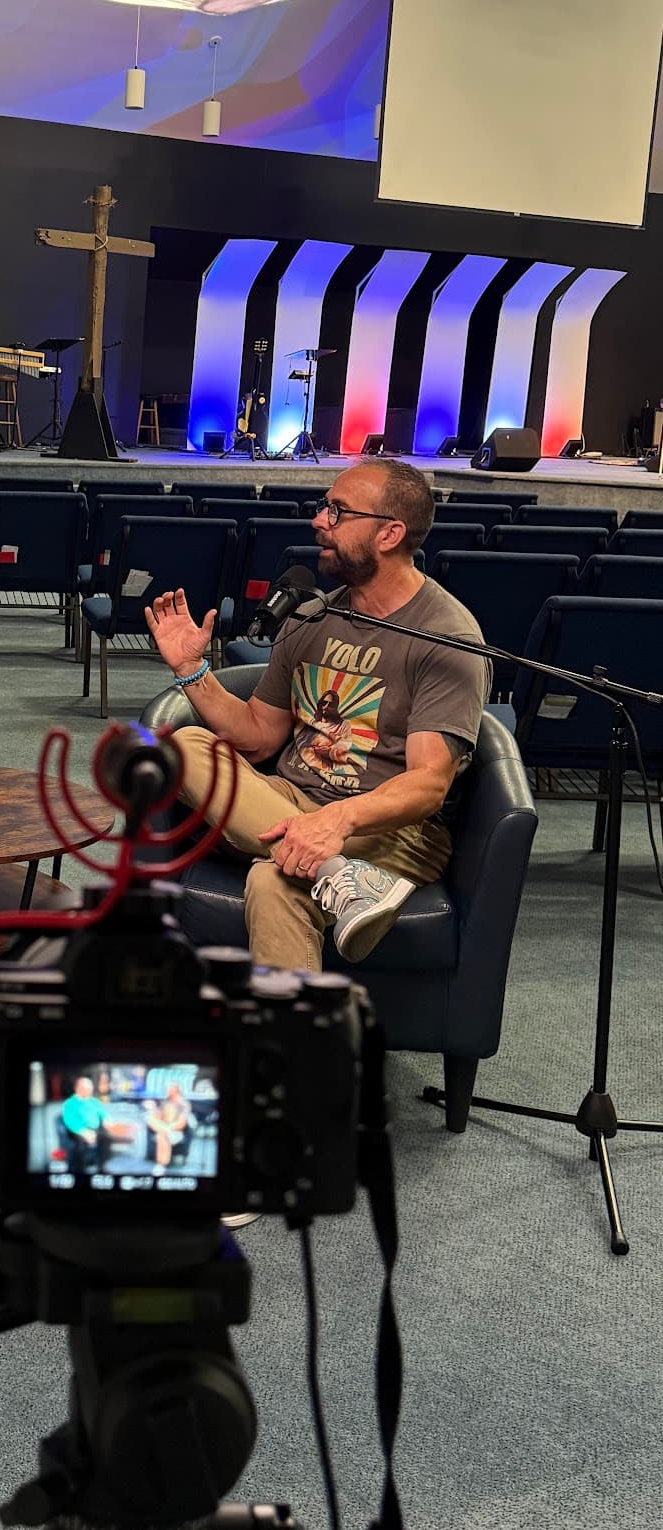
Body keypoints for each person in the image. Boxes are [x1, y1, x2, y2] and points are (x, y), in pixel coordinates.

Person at [146, 459, 489, 972]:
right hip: (291, 793)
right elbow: (260, 737)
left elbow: (427, 785)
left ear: (390, 533)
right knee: (182, 746)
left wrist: (338, 819)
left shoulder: (446, 636)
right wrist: (193, 670)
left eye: (337, 511)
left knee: (273, 878)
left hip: (391, 824)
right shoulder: (312, 616)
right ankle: (338, 875)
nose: (318, 521)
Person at [142, 1083, 191, 1170]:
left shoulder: (184, 1104)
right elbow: (159, 1118)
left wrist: (170, 1127)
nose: (166, 1091)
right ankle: (161, 1164)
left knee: (162, 1135)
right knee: (149, 1118)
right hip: (165, 1129)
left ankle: (161, 1164)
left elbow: (182, 1123)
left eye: (169, 1089)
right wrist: (153, 1108)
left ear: (175, 1090)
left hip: (176, 1132)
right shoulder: (165, 1102)